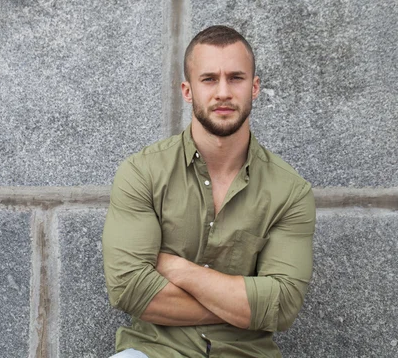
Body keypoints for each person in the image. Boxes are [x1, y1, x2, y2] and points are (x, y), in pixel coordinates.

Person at [102, 25, 315, 357]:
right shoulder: (142, 173)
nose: (223, 92)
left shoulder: (290, 192)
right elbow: (129, 288)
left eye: (236, 78)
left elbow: (283, 305)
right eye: (209, 79)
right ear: (188, 91)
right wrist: (245, 307)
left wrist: (178, 269)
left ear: (255, 87)